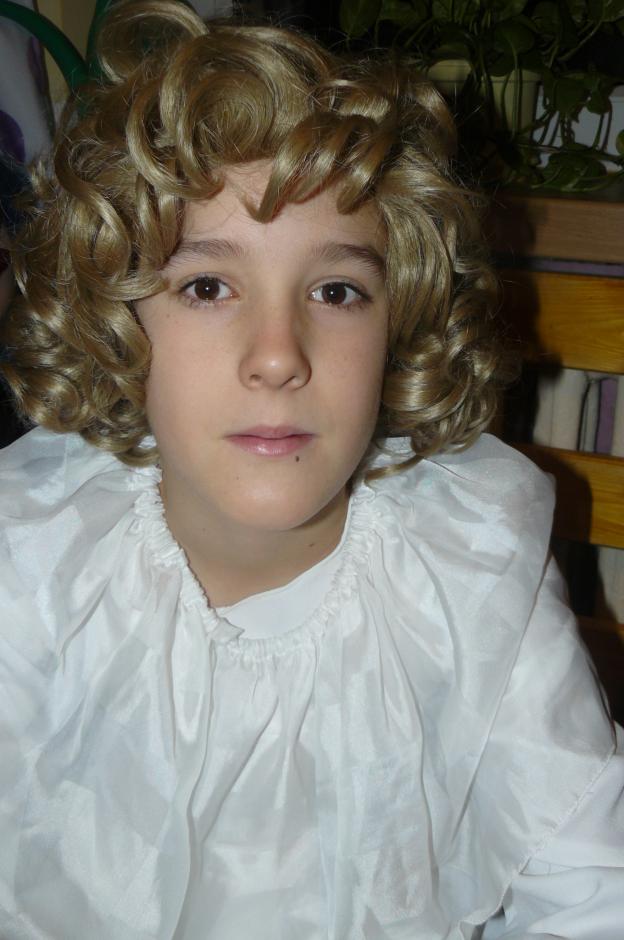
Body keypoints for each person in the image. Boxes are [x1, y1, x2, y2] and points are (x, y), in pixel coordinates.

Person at [0, 1, 622, 937]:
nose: (278, 355)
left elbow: (592, 886)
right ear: (117, 320)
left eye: (336, 291)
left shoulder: (469, 566)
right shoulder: (31, 556)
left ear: (399, 321)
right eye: (208, 286)